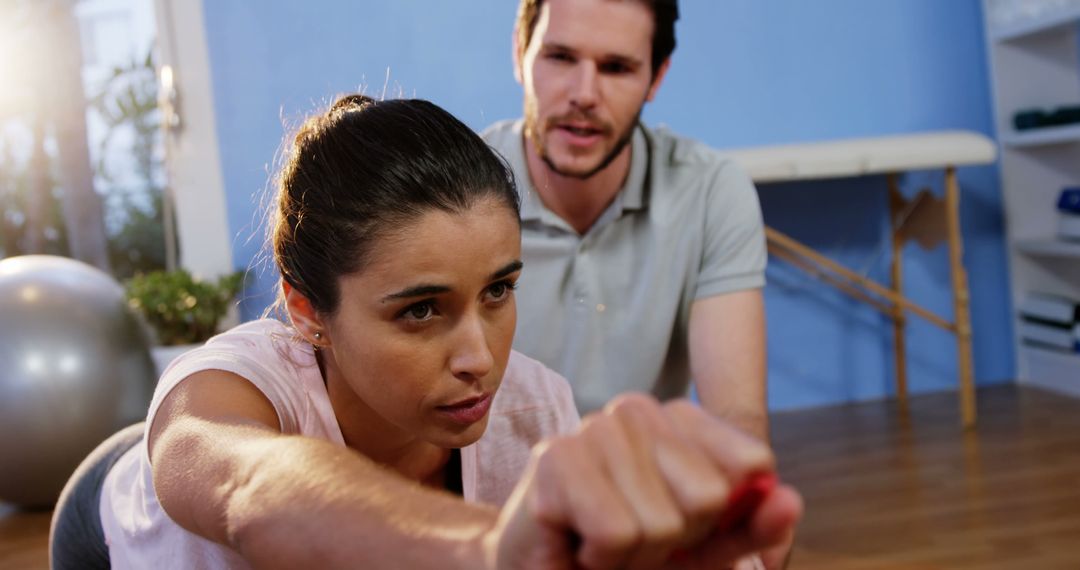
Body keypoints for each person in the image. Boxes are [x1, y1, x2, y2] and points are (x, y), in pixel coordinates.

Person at [49, 95, 801, 569]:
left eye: (499, 291)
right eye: (419, 310)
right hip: (106, 520)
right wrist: (485, 549)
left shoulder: (535, 411)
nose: (480, 359)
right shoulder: (228, 388)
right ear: (307, 309)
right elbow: (250, 487)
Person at [481, 0, 784, 566]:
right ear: (521, 55)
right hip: (489, 513)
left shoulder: (710, 190)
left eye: (616, 67)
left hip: (641, 510)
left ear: (656, 77)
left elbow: (737, 421)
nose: (584, 93)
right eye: (561, 56)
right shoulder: (460, 193)